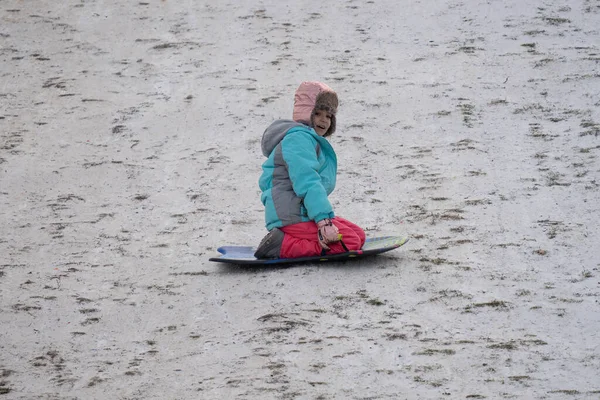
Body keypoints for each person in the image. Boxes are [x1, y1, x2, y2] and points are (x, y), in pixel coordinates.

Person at [254, 81, 366, 259]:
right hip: (290, 214)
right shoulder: (298, 140)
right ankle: (282, 245)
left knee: (358, 235)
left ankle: (287, 239)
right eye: (318, 114)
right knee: (350, 242)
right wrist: (323, 221)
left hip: (302, 212)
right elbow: (307, 181)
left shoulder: (308, 140)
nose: (324, 120)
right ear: (307, 114)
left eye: (329, 116)